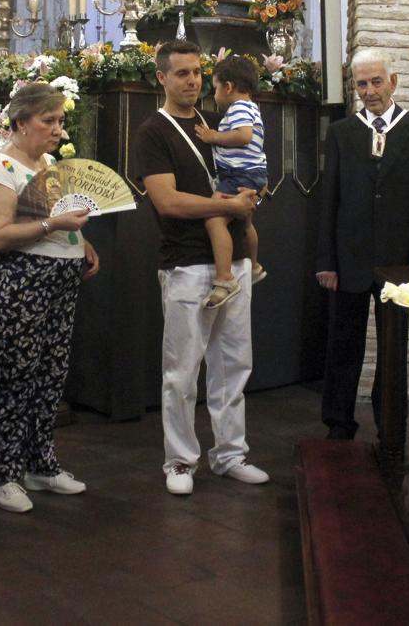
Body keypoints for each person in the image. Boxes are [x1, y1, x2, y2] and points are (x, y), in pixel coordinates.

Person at [133, 40, 264, 495]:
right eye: (182, 73)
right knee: (182, 370)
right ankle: (180, 461)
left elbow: (243, 170)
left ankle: (230, 454)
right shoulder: (154, 131)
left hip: (235, 261)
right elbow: (167, 201)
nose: (191, 81)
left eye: (196, 73)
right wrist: (221, 203)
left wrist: (247, 197)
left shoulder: (215, 124)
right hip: (187, 263)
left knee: (234, 363)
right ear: (162, 79)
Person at [0, 83, 100, 514]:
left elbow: (63, 219)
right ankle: (1, 475)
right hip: (21, 281)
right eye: (49, 121)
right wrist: (54, 224)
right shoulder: (0, 167)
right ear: (21, 123)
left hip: (60, 280)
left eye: (60, 121)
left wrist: (80, 241)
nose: (58, 129)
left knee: (51, 374)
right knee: (17, 378)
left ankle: (39, 465)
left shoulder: (48, 163)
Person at [315, 48, 409, 441]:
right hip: (347, 260)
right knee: (342, 344)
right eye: (361, 84)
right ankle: (338, 421)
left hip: (399, 264)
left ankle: (391, 421)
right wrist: (326, 261)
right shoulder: (341, 133)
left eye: (376, 82)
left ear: (393, 82)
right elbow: (329, 201)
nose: (369, 91)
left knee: (393, 349)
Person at [193, 55, 267, 309]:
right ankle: (255, 265)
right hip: (251, 174)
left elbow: (244, 136)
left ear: (228, 87)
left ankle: (224, 278)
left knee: (214, 219)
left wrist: (213, 136)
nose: (214, 95)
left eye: (214, 88)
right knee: (246, 222)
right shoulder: (249, 107)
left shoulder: (239, 108)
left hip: (240, 175)